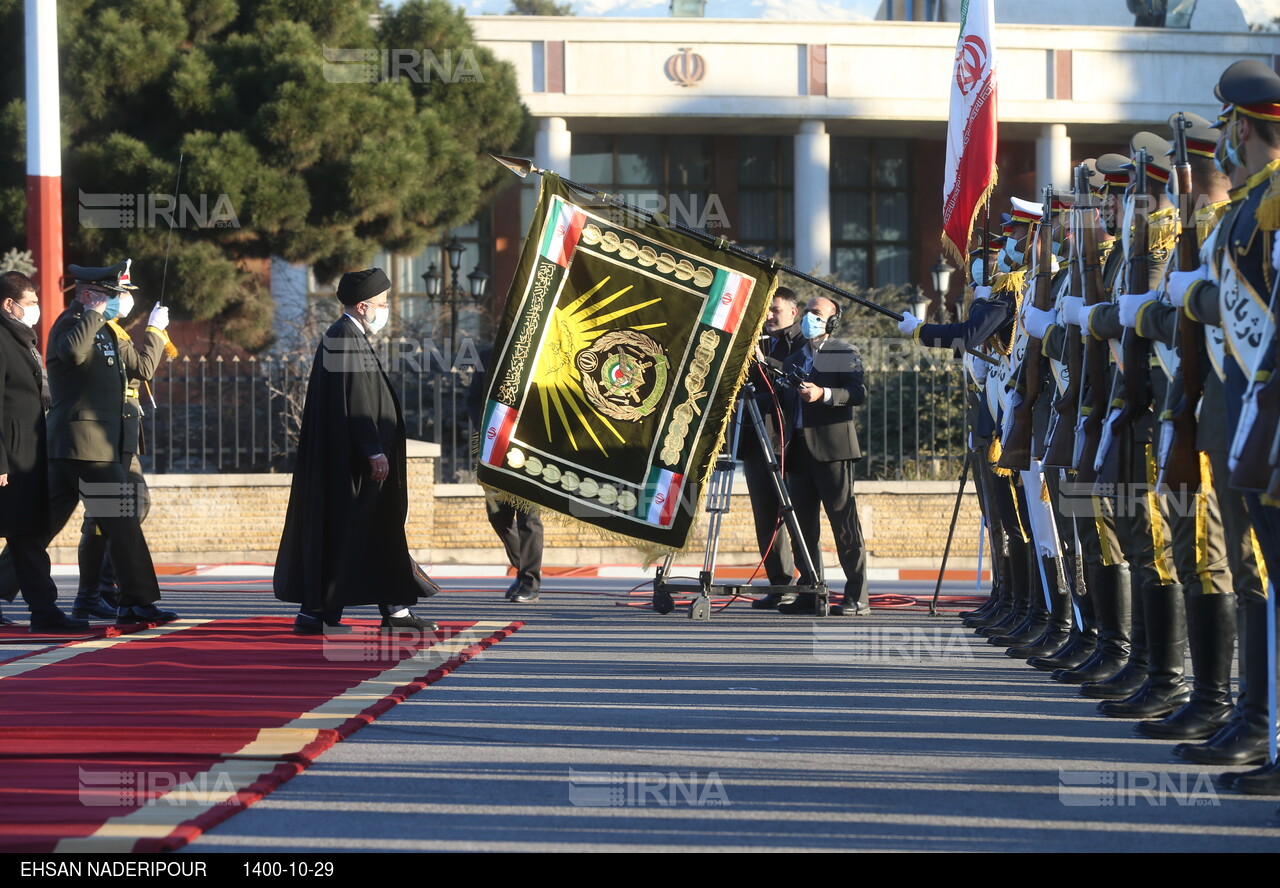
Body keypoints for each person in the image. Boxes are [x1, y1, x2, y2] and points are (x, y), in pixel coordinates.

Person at [274, 268, 441, 635]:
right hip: (358, 465)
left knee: (360, 533)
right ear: (363, 306)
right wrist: (373, 450)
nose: (385, 309)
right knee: (365, 531)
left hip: (352, 463)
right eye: (382, 303)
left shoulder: (347, 335)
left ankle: (322, 613)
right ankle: (335, 614)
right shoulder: (345, 338)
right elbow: (357, 402)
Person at [70, 262, 168, 619]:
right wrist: (156, 332)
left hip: (121, 430)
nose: (124, 301)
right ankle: (100, 591)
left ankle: (101, 591)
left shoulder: (113, 332)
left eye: (123, 294)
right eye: (119, 294)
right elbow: (142, 368)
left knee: (120, 509)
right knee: (112, 510)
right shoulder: (99, 329)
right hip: (102, 433)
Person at [0, 271, 85, 633]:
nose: (36, 309)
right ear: (9, 304)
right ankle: (44, 611)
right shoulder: (2, 340)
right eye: (31, 303)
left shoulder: (22, 339)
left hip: (29, 456)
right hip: (10, 460)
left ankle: (44, 611)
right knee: (25, 535)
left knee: (27, 534)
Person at [776, 296, 871, 617]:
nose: (808, 318)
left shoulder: (842, 351)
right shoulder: (793, 359)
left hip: (833, 450)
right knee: (802, 527)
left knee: (844, 524)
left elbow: (858, 393)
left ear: (831, 321)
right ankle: (811, 591)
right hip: (798, 450)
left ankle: (857, 596)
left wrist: (824, 394)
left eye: (816, 314)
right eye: (806, 312)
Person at [741, 287, 804, 610]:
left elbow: (792, 383)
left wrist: (765, 362)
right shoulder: (758, 340)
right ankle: (780, 583)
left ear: (793, 312)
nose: (768, 317)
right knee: (765, 515)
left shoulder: (802, 343)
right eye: (766, 310)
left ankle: (806, 579)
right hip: (755, 438)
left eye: (775, 310)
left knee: (792, 514)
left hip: (787, 441)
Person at [466, 347, 544, 603]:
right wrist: (487, 429)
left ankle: (530, 582)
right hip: (493, 450)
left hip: (528, 451)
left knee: (528, 518)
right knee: (498, 516)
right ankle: (524, 571)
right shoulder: (487, 356)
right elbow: (473, 399)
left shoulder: (540, 354)